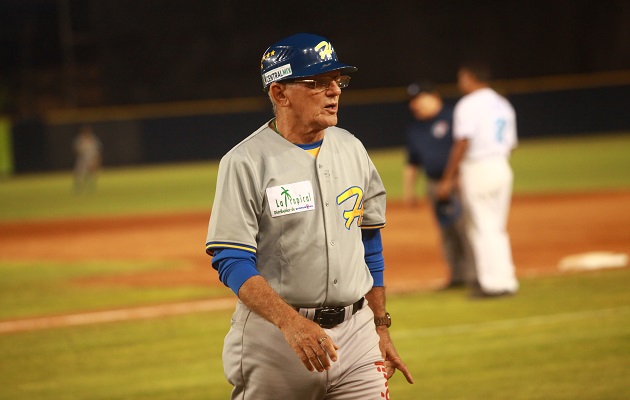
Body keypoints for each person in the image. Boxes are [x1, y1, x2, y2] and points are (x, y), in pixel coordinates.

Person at [205, 33, 413, 400]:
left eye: (337, 80)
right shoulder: (245, 162)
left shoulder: (351, 148)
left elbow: (369, 242)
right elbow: (230, 258)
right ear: (279, 94)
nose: (334, 91)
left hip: (358, 335)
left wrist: (380, 325)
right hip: (276, 340)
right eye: (316, 83)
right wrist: (290, 323)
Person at [437, 62, 519, 298]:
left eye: (462, 78)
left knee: (481, 228)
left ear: (471, 78)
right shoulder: (502, 103)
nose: (460, 82)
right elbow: (511, 143)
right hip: (501, 165)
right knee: (497, 228)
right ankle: (507, 280)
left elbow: (463, 141)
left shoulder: (469, 104)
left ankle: (491, 284)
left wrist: (449, 177)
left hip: (478, 167)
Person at [403, 82, 476, 290]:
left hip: (458, 182)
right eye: (412, 102)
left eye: (419, 99)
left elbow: (466, 148)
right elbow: (412, 161)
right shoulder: (416, 127)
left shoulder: (454, 118)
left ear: (434, 96)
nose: (415, 105)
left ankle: (474, 275)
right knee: (446, 230)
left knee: (464, 228)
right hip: (433, 184)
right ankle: (457, 276)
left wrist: (454, 179)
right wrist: (409, 191)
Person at [73, 125, 102, 193]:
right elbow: (76, 149)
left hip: (91, 158)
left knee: (91, 174)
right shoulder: (80, 139)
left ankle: (91, 187)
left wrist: (96, 160)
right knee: (79, 173)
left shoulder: (93, 139)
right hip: (82, 159)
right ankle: (78, 188)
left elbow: (97, 150)